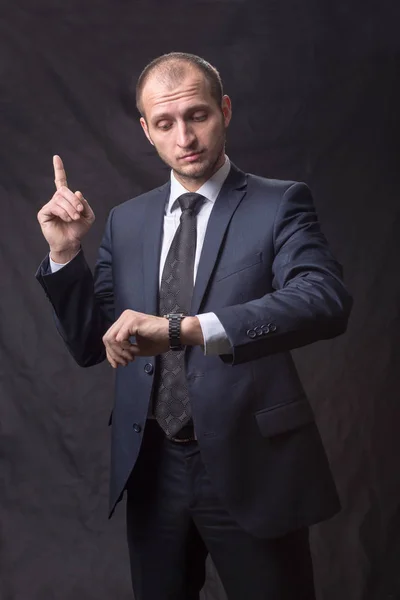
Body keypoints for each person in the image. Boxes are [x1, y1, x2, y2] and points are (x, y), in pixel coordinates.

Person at [36, 52, 352, 600]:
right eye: (165, 123)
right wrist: (66, 258)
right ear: (147, 132)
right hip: (152, 468)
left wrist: (186, 328)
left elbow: (323, 299)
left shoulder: (280, 204)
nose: (185, 136)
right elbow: (97, 344)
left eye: (198, 115)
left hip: (252, 464)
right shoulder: (127, 221)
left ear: (224, 110)